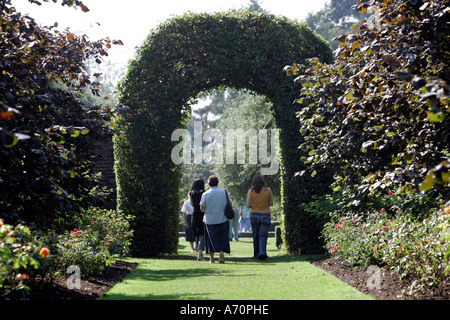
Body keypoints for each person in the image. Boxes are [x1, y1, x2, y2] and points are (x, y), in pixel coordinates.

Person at [200, 175, 231, 263]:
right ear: (217, 182)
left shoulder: (205, 194)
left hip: (209, 220)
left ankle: (212, 259)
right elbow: (230, 204)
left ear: (208, 183)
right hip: (223, 219)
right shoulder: (224, 191)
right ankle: (221, 252)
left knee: (210, 239)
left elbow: (202, 208)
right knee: (223, 237)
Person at [247, 174, 273, 260]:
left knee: (255, 236)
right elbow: (271, 203)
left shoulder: (251, 191)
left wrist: (254, 205)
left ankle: (256, 254)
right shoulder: (268, 190)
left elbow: (248, 205)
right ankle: (262, 253)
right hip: (265, 214)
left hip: (254, 214)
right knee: (263, 236)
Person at [189, 179, 206, 261]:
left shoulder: (191, 193)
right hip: (203, 214)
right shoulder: (204, 193)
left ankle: (200, 252)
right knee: (202, 234)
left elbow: (192, 204)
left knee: (197, 235)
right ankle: (200, 254)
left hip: (195, 214)